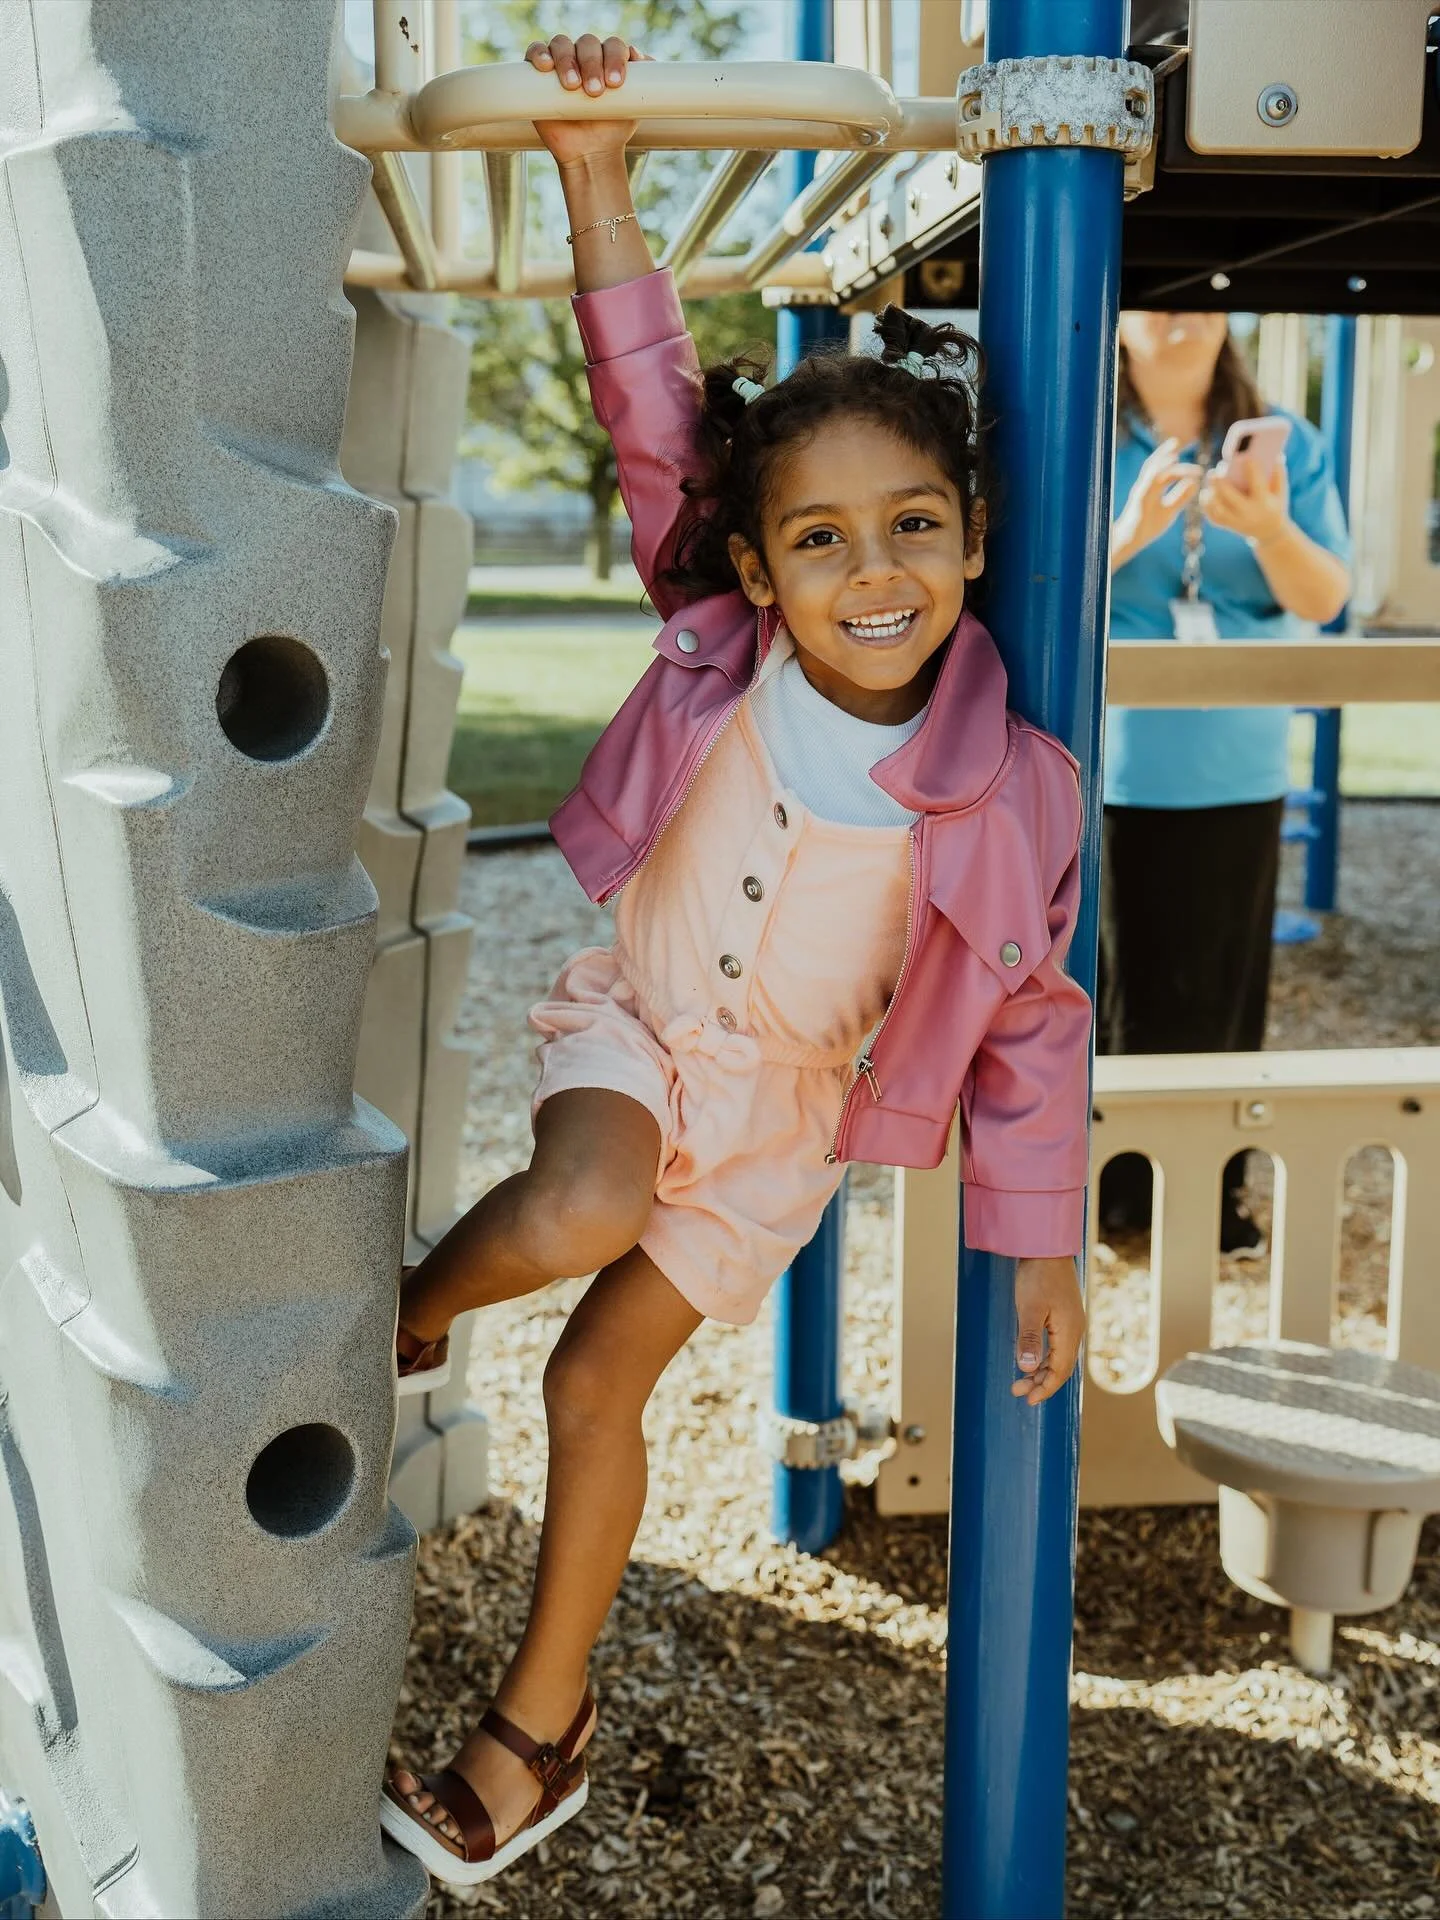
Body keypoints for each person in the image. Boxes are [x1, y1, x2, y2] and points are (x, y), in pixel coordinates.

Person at [380, 30, 1092, 1890]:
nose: (877, 569)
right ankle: (417, 1303)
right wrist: (595, 175)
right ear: (760, 568)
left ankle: (542, 1729)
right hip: (645, 1030)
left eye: (915, 528)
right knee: (579, 1199)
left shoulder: (1014, 786)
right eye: (823, 537)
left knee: (597, 1390)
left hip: (774, 1130)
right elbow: (651, 421)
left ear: (973, 534)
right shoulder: (725, 651)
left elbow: (1033, 1025)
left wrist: (1034, 1245)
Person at [1101, 312, 1352, 1252]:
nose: (1178, 310)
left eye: (1201, 292)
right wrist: (1128, 531)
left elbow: (1325, 598)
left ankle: (1210, 1203)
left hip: (1242, 761)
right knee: (1112, 985)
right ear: (1117, 321)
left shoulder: (1292, 440)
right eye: (1154, 292)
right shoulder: (1080, 427)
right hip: (1115, 763)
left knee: (1223, 987)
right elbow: (1026, 580)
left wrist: (1273, 527)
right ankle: (1111, 1201)